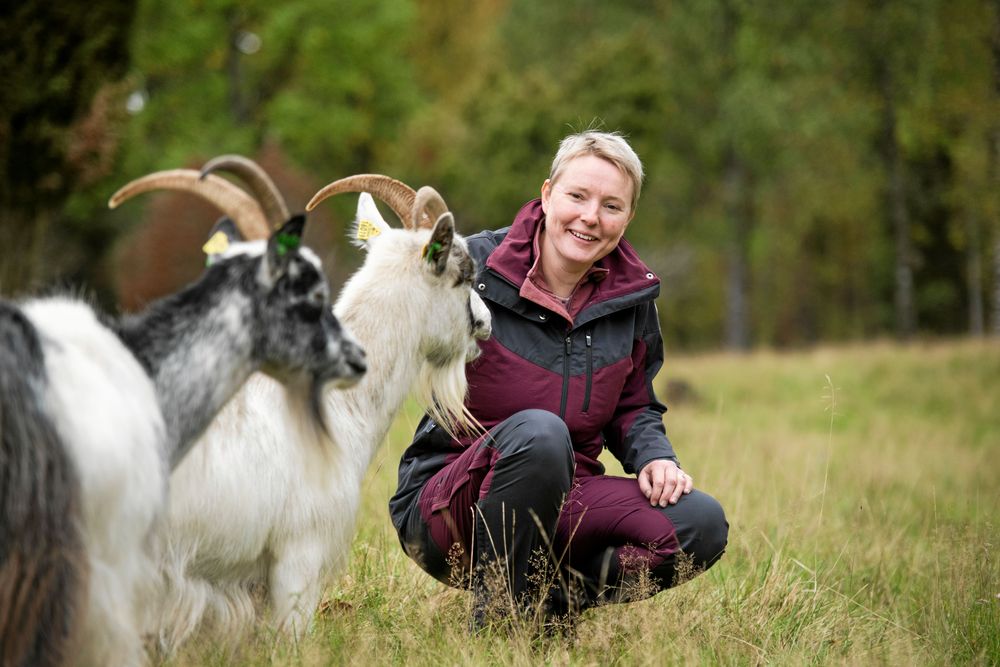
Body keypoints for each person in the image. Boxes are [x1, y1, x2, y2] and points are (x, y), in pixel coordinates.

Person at [388, 130, 728, 625]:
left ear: (628, 217)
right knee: (541, 433)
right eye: (577, 196)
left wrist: (656, 457)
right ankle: (502, 623)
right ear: (547, 195)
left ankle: (549, 605)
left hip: (565, 499)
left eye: (612, 205)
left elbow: (634, 405)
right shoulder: (474, 266)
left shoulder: (630, 298)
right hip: (448, 504)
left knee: (699, 524)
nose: (591, 217)